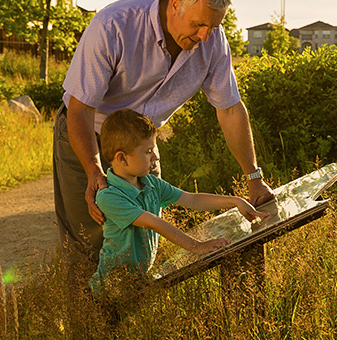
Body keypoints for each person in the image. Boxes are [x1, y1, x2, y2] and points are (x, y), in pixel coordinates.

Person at [53, 0, 274, 269]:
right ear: (174, 4)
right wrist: (93, 170)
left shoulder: (212, 39)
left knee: (143, 241)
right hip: (87, 131)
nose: (204, 35)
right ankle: (89, 315)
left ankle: (132, 311)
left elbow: (230, 109)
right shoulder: (113, 24)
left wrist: (254, 179)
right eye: (198, 24)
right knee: (89, 241)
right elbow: (80, 108)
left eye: (212, 26)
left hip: (142, 139)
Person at [88, 109, 268, 293]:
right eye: (148, 151)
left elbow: (192, 199)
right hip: (110, 289)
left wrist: (236, 201)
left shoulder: (151, 183)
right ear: (122, 158)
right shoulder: (109, 196)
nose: (156, 157)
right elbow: (153, 222)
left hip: (137, 282)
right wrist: (196, 246)